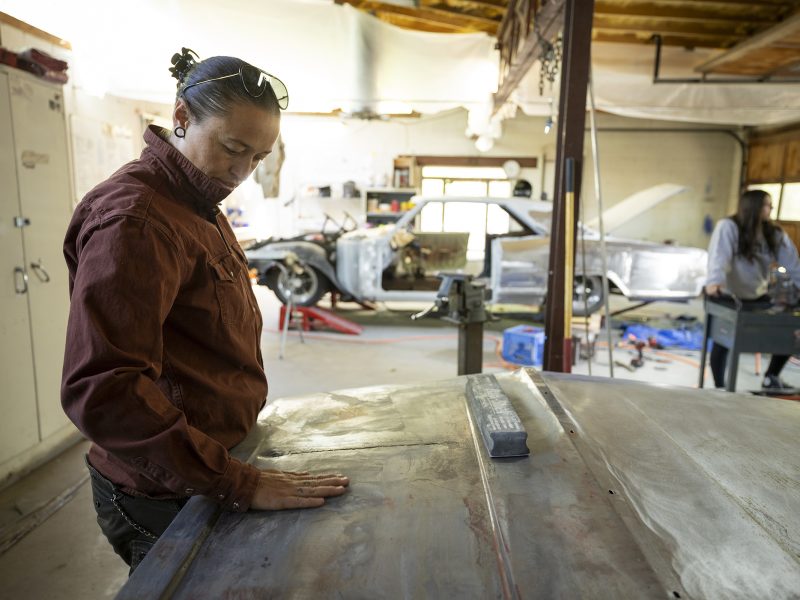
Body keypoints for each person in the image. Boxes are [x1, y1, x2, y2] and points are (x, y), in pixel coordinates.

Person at [61, 48, 349, 574]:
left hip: (207, 463)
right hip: (164, 488)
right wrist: (237, 482)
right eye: (233, 147)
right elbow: (104, 389)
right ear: (180, 117)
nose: (241, 170)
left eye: (258, 158)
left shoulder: (197, 200)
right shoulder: (138, 221)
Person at [705, 189, 800, 391]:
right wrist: (715, 283)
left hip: (758, 296)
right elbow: (719, 258)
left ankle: (771, 377)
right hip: (729, 297)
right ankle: (719, 388)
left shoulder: (773, 234)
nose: (771, 208)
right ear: (753, 206)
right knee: (723, 343)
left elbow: (793, 265)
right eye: (767, 204)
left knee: (787, 333)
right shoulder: (729, 227)